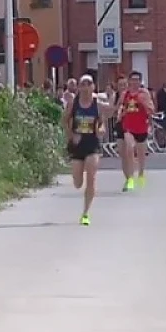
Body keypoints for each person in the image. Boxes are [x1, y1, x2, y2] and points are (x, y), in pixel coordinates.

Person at [62, 75, 110, 225]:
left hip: (92, 144)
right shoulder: (73, 104)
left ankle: (85, 213)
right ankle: (79, 181)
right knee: (77, 182)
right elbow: (65, 121)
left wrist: (101, 130)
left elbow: (102, 124)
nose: (86, 87)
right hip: (77, 145)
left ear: (93, 87)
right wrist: (71, 135)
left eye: (89, 84)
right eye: (83, 84)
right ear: (79, 87)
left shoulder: (97, 104)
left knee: (91, 178)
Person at [117, 71, 154, 191]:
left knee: (141, 155)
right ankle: (130, 178)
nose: (135, 82)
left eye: (137, 80)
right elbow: (121, 106)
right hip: (128, 126)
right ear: (129, 81)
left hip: (141, 127)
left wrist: (144, 104)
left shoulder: (144, 93)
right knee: (129, 147)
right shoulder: (125, 94)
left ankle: (141, 173)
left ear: (140, 81)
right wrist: (120, 113)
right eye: (132, 79)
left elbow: (151, 110)